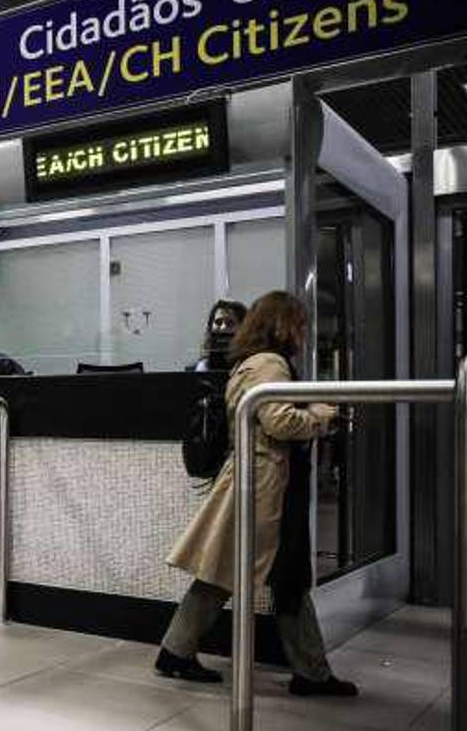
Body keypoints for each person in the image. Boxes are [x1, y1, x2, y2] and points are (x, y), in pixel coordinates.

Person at [158, 291, 357, 697]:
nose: (304, 333)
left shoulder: (256, 361)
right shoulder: (270, 363)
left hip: (263, 480)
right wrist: (324, 414)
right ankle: (310, 673)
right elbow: (279, 420)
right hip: (268, 484)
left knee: (245, 572)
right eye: (299, 324)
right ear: (283, 325)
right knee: (282, 575)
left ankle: (177, 652)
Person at [188, 299, 248, 372]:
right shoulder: (195, 370)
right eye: (218, 323)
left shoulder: (252, 368)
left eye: (229, 323)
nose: (222, 329)